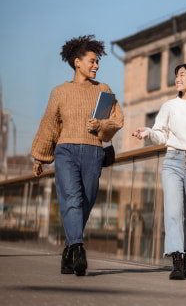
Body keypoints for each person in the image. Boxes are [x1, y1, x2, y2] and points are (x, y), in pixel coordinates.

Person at [31, 35, 124, 276]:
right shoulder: (59, 92)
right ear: (77, 62)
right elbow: (49, 125)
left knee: (88, 200)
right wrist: (40, 157)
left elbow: (117, 120)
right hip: (66, 151)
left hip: (93, 150)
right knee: (71, 198)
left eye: (98, 62)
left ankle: (69, 248)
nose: (97, 66)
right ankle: (79, 250)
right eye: (92, 61)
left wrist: (100, 125)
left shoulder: (104, 90)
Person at [131, 63, 186, 280]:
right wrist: (149, 132)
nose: (177, 78)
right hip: (173, 161)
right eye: (176, 75)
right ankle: (177, 260)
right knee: (172, 212)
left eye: (182, 74)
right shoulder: (169, 106)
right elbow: (162, 136)